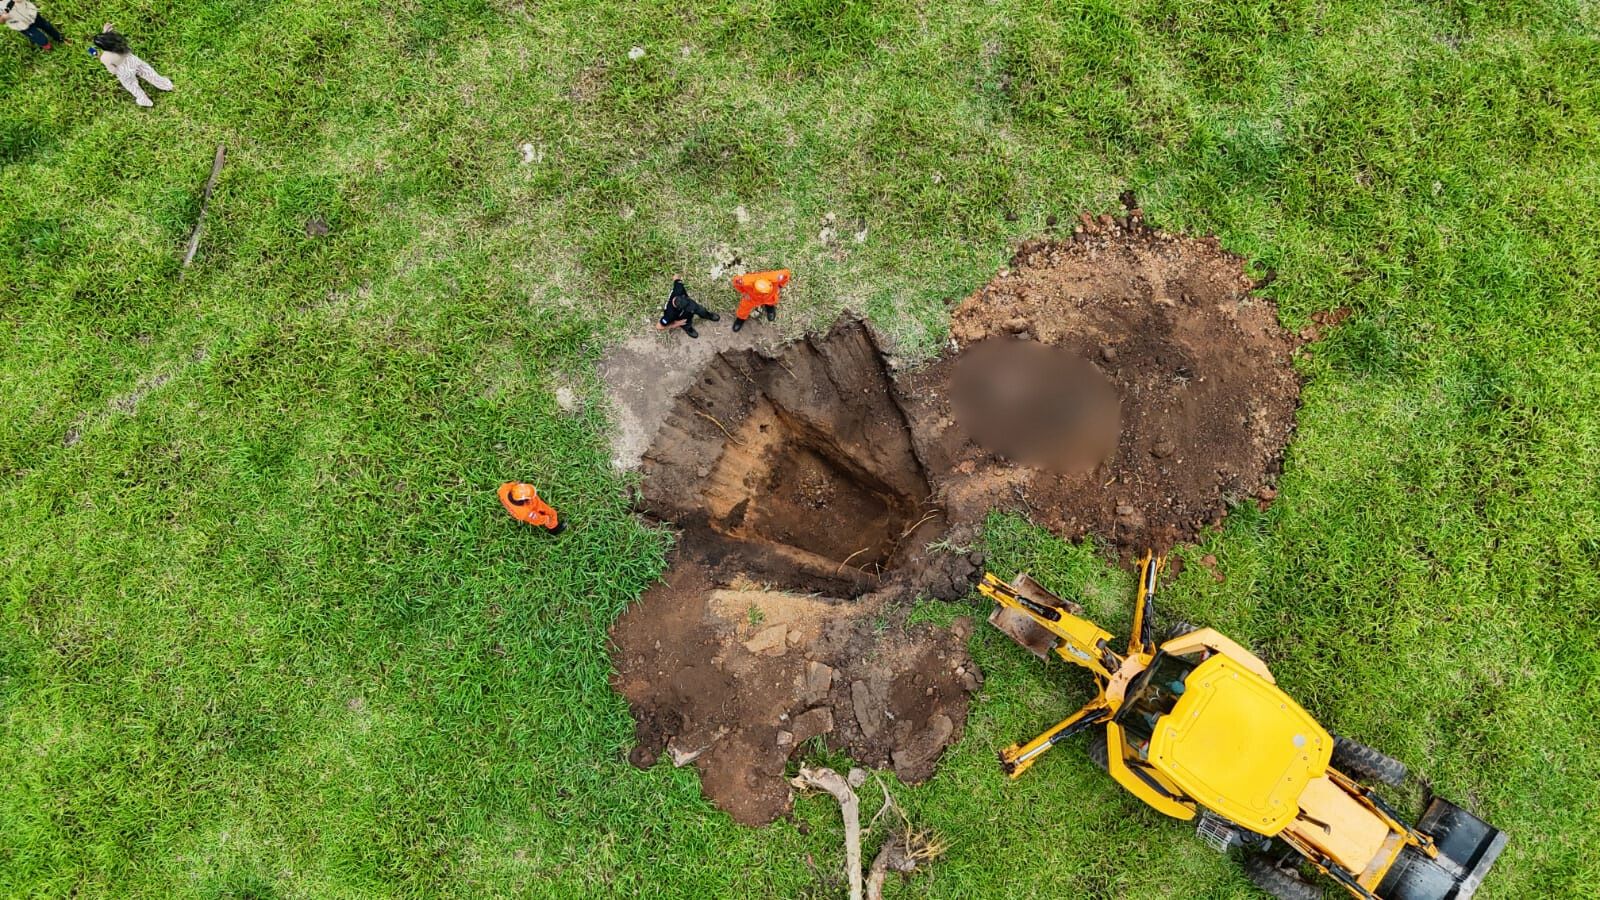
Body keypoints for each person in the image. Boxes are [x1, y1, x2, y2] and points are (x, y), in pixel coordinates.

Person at [89, 24, 172, 108]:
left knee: (131, 85)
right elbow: (110, 41)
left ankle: (144, 99)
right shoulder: (119, 44)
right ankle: (165, 85)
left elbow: (113, 71)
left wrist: (99, 57)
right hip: (132, 60)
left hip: (123, 71)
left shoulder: (105, 58)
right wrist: (105, 34)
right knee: (148, 72)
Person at [656, 273, 719, 339]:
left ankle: (708, 315)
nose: (691, 309)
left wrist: (680, 275)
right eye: (687, 307)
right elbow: (658, 326)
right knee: (686, 323)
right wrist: (675, 324)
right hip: (682, 317)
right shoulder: (669, 314)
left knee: (702, 310)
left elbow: (676, 276)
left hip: (693, 304)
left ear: (682, 296)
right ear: (679, 308)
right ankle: (689, 329)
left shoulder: (679, 288)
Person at [498, 482, 565, 534]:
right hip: (530, 507)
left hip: (524, 506)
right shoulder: (525, 512)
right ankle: (554, 528)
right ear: (523, 500)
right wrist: (546, 519)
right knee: (552, 513)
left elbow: (513, 484)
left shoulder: (504, 489)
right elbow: (537, 519)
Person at [1, 0, 66, 51]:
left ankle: (59, 38)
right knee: (38, 37)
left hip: (32, 14)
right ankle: (47, 46)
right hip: (20, 25)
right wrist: (3, 18)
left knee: (47, 26)